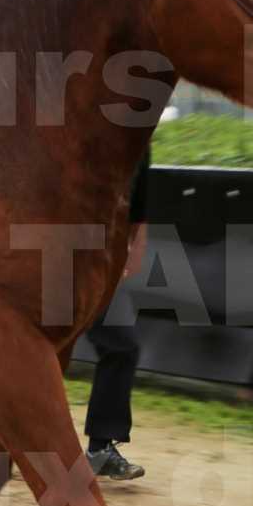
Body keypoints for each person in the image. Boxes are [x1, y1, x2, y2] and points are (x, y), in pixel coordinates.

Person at [82, 150, 150, 481]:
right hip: (53, 243)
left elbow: (142, 184)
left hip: (101, 254)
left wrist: (136, 239)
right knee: (39, 349)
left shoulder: (138, 131)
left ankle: (99, 450)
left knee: (122, 345)